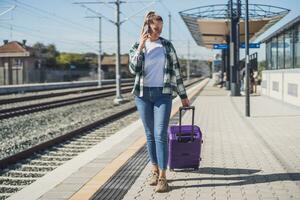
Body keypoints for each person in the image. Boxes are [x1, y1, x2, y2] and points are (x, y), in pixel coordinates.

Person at [128, 11, 189, 193]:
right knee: (149, 134)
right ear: (147, 26)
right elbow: (134, 69)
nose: (158, 32)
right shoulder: (137, 46)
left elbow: (176, 73)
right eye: (155, 28)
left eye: (160, 29)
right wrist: (140, 47)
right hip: (142, 95)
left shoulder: (167, 46)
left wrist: (183, 96)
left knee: (160, 133)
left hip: (163, 94)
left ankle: (163, 177)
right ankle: (153, 169)